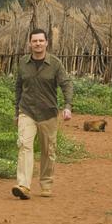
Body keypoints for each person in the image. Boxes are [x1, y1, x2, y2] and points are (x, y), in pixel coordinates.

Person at [12, 28, 73, 200]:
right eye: (34, 41)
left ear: (46, 43)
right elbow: (18, 87)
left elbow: (66, 84)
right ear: (30, 43)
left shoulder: (55, 63)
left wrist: (67, 106)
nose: (38, 44)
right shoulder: (23, 63)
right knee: (24, 145)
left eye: (41, 41)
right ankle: (23, 185)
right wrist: (17, 112)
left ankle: (46, 183)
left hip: (48, 113)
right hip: (27, 111)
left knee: (48, 150)